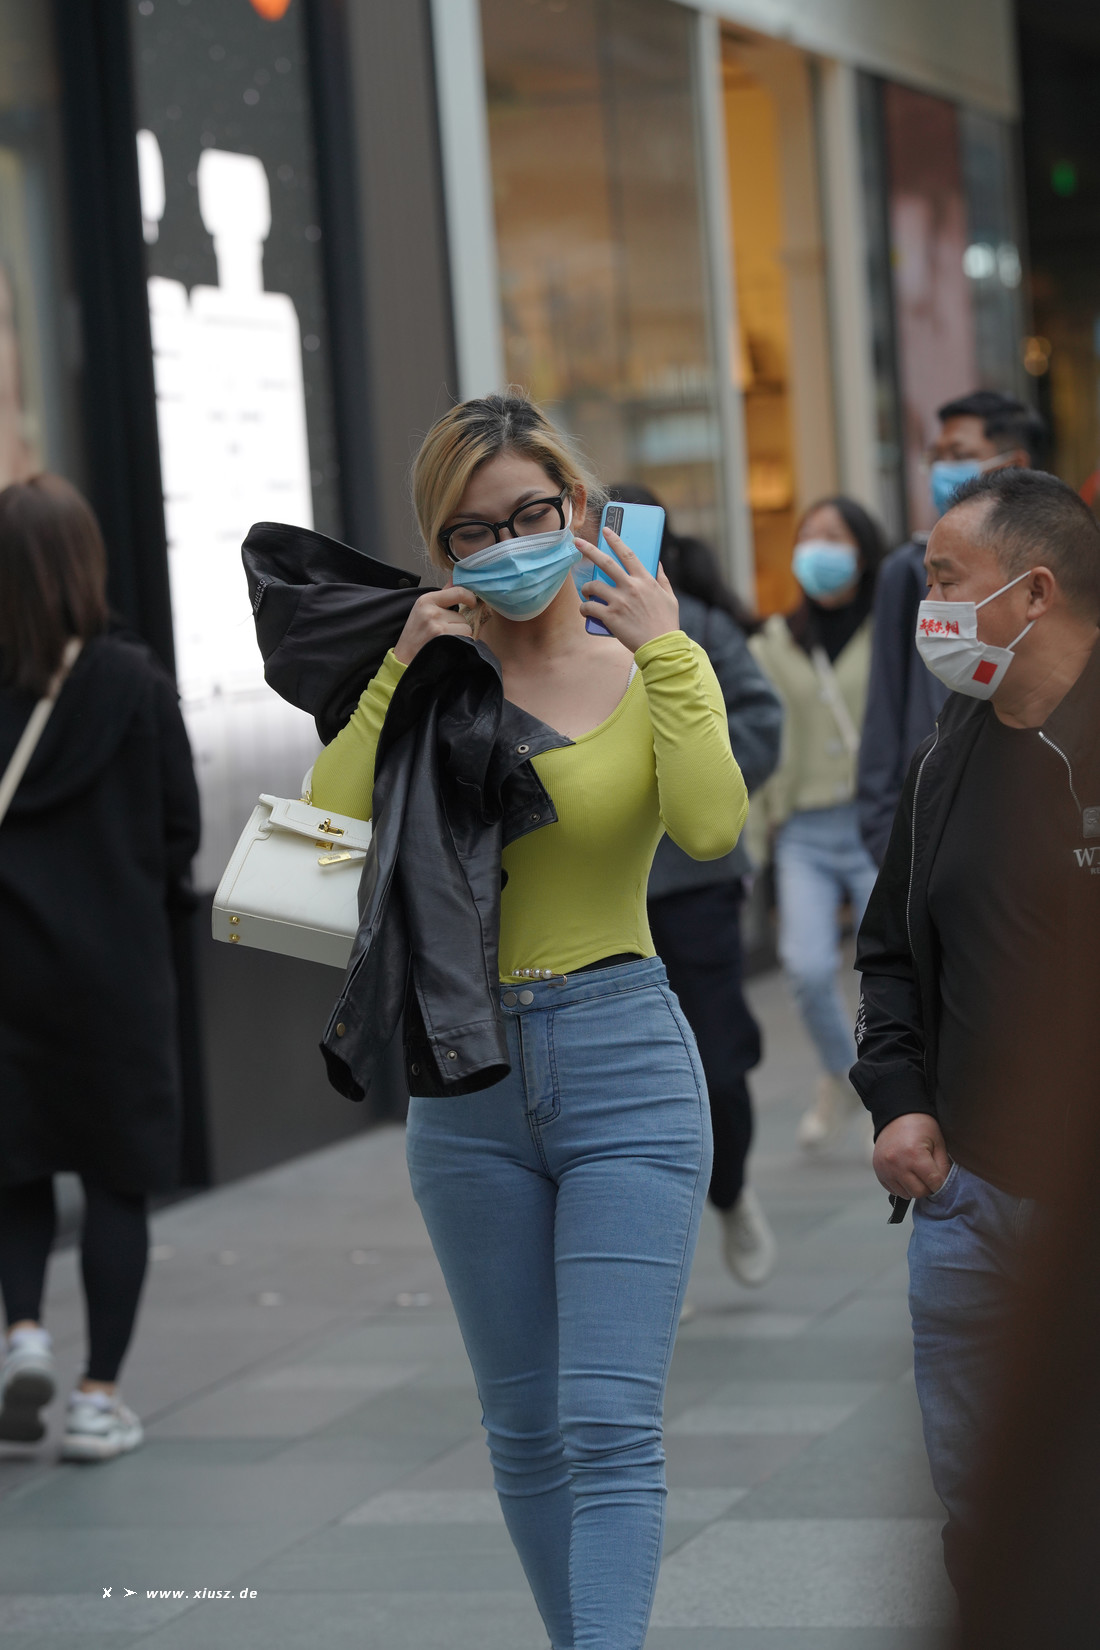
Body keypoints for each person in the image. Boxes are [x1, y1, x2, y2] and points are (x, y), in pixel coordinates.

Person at [307, 393, 747, 1650]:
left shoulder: (649, 663)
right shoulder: (434, 686)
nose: (505, 547)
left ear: (577, 508)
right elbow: (328, 835)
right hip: (465, 1080)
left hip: (624, 1060)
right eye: (471, 531)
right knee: (522, 1428)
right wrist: (397, 671)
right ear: (439, 549)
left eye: (528, 515)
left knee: (608, 1422)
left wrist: (667, 648)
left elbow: (711, 826)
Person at [850, 466, 1100, 1586]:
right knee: (987, 1527)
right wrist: (899, 1103)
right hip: (970, 1205)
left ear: (1034, 591)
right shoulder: (947, 751)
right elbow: (889, 952)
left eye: (947, 580)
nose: (929, 607)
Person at [0, 474, 200, 1461]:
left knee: (15, 1166)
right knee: (118, 1181)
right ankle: (94, 1398)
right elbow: (179, 832)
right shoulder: (135, 683)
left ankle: (24, 1334)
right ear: (88, 563)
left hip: (7, 975)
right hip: (118, 975)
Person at [606, 484, 783, 1287]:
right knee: (622, 1090)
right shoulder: (548, 640)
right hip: (602, 899)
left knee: (716, 1064)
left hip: (694, 885)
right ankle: (650, 1254)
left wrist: (688, 772)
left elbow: (761, 725)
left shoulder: (699, 630)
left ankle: (732, 1190)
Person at [750, 496, 885, 1152]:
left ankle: (896, 1083)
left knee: (889, 969)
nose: (818, 549)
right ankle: (845, 1074)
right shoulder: (773, 642)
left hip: (876, 823)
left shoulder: (892, 628)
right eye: (808, 536)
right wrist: (758, 834)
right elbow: (761, 740)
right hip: (803, 829)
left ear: (863, 550)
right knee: (804, 968)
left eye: (833, 536)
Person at [857, 390, 1044, 865]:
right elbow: (884, 710)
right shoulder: (905, 573)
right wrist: (888, 838)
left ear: (1013, 464)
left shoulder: (1068, 565)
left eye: (958, 456)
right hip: (937, 834)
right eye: (936, 457)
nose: (942, 470)